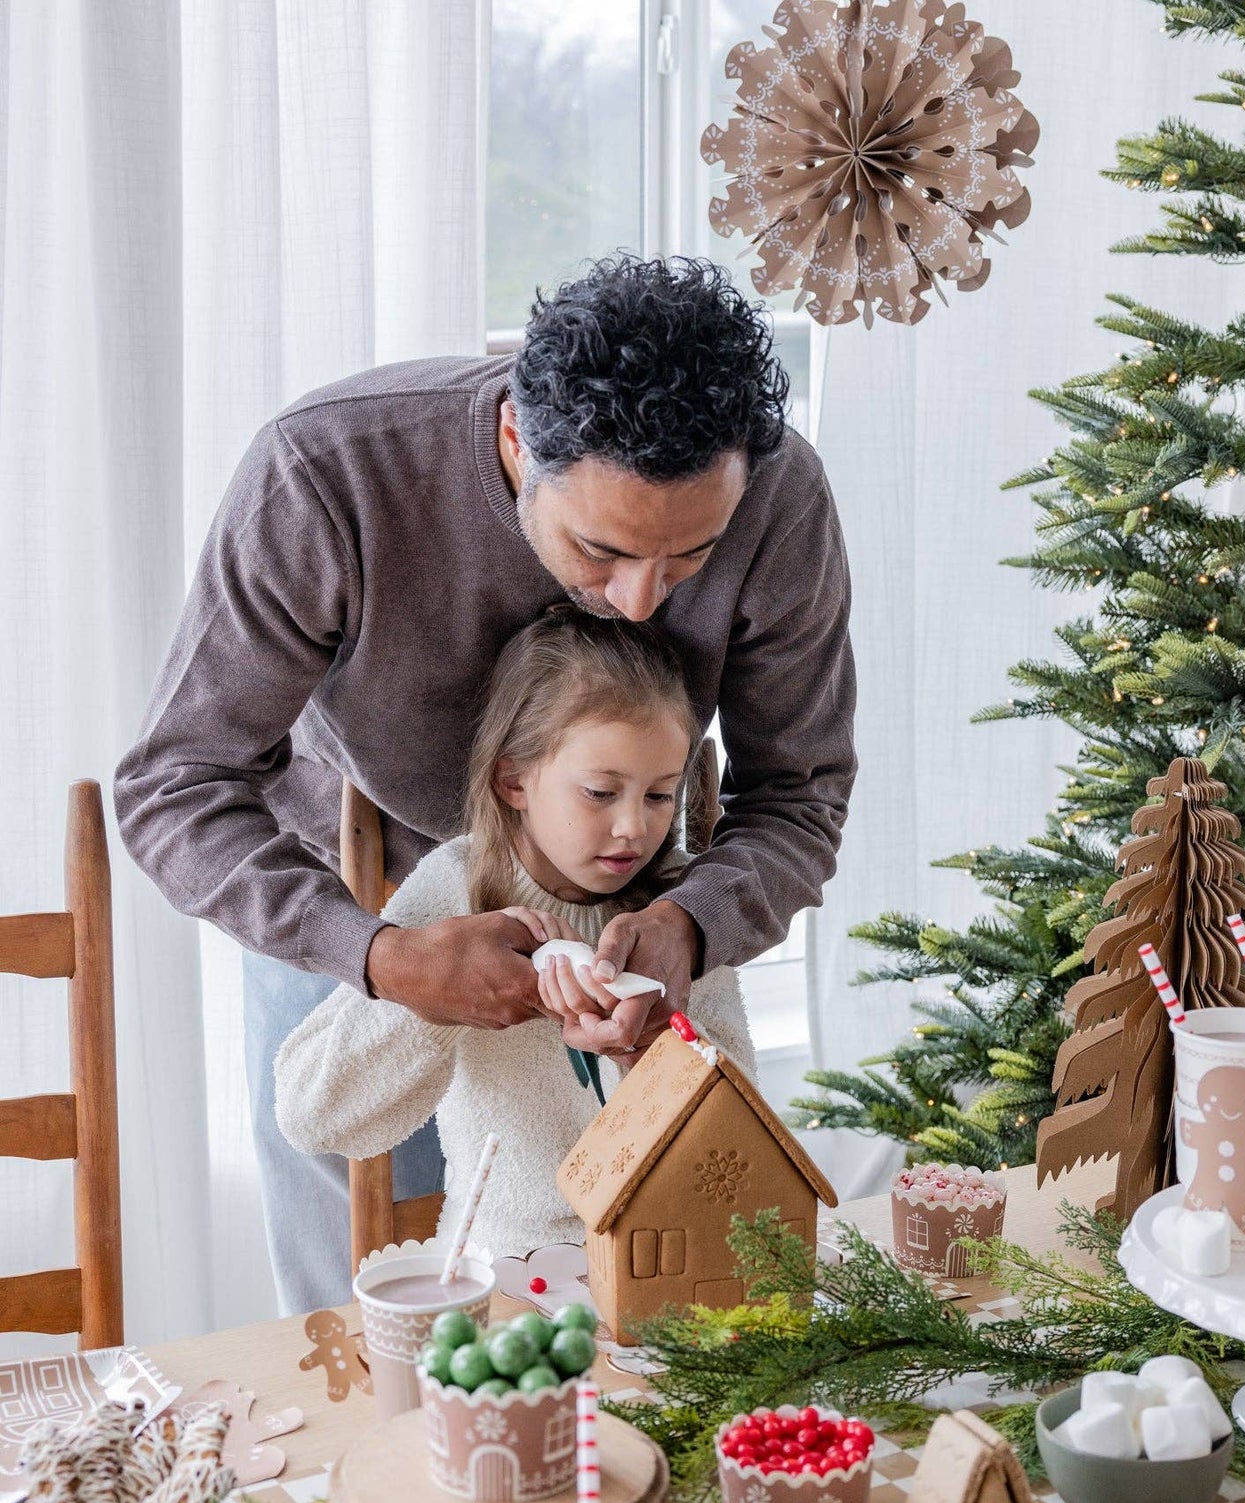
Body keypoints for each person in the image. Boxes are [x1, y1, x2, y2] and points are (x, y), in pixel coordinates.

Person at [114, 255, 855, 1312]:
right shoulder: (326, 474)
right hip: (358, 895)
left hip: (630, 896)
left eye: (688, 558)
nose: (640, 604)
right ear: (516, 437)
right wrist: (375, 955)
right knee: (358, 1288)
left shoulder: (779, 499)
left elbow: (798, 793)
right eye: (599, 549)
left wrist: (689, 925)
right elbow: (174, 782)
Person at [273, 609, 753, 1267]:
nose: (632, 829)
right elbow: (313, 1116)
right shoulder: (456, 891)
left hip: (660, 1267)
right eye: (600, 792)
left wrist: (648, 1048)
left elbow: (737, 1134)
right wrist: (438, 996)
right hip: (500, 1269)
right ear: (514, 780)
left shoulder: (678, 909)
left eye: (659, 796)